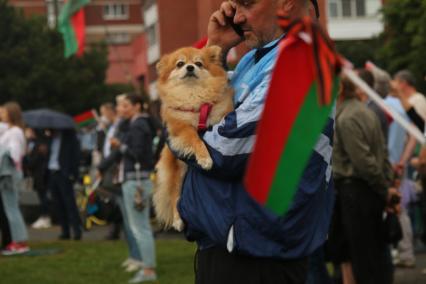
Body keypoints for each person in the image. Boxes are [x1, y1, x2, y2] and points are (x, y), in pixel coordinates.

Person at [168, 1, 334, 283]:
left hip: (259, 252)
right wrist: (216, 49)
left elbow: (221, 153)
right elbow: (185, 100)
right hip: (231, 242)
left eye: (247, 3)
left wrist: (180, 131)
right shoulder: (255, 58)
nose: (238, 16)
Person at [332, 76, 397, 284]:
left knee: (363, 255)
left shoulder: (347, 118)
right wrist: (385, 186)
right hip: (367, 190)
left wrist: (384, 189)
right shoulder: (366, 112)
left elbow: (363, 161)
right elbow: (382, 154)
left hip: (357, 191)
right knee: (370, 252)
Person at [102, 94, 156, 283]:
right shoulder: (135, 123)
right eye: (120, 105)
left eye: (125, 105)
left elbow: (139, 154)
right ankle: (145, 265)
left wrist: (120, 146)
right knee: (138, 226)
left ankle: (148, 270)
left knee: (140, 227)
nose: (121, 109)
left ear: (137, 106)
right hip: (135, 179)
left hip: (137, 181)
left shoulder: (139, 124)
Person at [0, 102, 30, 255]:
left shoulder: (15, 132)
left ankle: (20, 242)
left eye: (4, 112)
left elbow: (15, 154)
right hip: (7, 173)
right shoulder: (10, 130)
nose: (1, 115)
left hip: (9, 174)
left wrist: (5, 154)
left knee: (12, 209)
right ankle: (17, 241)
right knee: (10, 209)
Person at [48, 129, 82, 240]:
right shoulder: (50, 137)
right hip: (52, 172)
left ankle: (77, 231)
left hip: (64, 174)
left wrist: (73, 174)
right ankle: (65, 231)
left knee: (69, 203)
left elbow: (75, 156)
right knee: (58, 203)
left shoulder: (70, 138)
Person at [24, 128, 51, 229]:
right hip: (42, 173)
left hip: (40, 173)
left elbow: (33, 161)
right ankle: (45, 216)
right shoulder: (42, 142)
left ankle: (45, 216)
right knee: (43, 195)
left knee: (42, 196)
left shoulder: (38, 144)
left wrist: (27, 156)